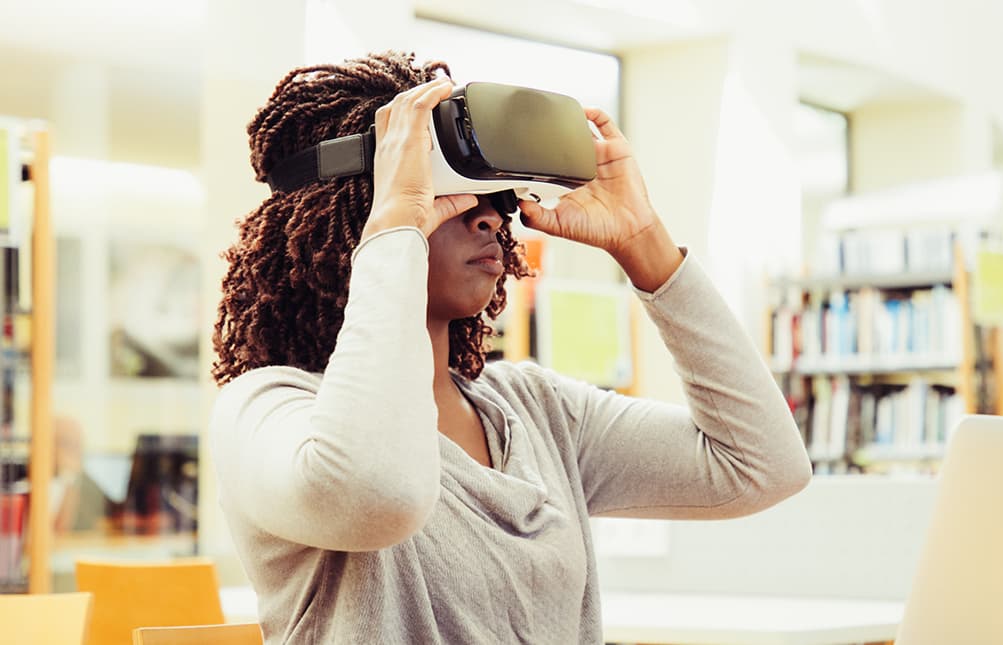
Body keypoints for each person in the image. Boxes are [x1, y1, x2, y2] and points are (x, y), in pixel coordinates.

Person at [210, 51, 811, 644]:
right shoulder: (268, 412)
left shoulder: (535, 410)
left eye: (498, 199)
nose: (491, 219)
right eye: (446, 191)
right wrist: (397, 229)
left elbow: (760, 467)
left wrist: (644, 243)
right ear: (355, 211)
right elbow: (378, 492)